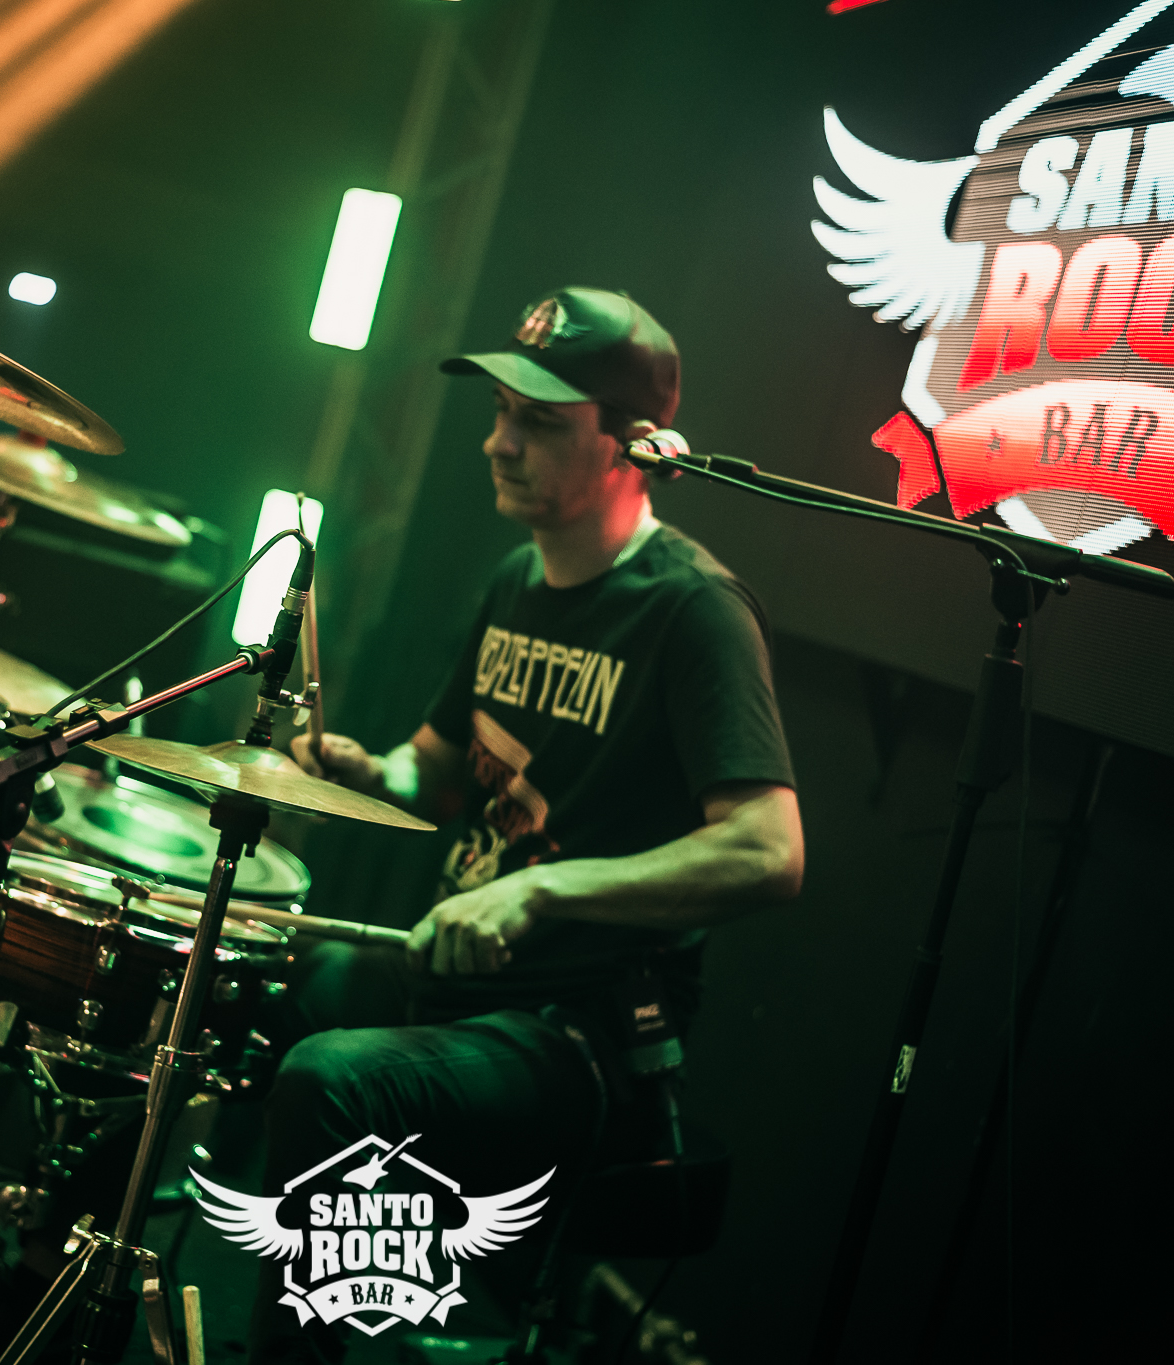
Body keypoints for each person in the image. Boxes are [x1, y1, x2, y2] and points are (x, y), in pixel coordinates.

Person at [246, 287, 804, 1362]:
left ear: (634, 446)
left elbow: (769, 850)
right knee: (258, 976)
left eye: (537, 422)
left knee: (329, 1077)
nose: (497, 443)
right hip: (457, 992)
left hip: (578, 1034)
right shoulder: (518, 579)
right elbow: (433, 771)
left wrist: (543, 886)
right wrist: (365, 768)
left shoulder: (692, 609)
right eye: (500, 413)